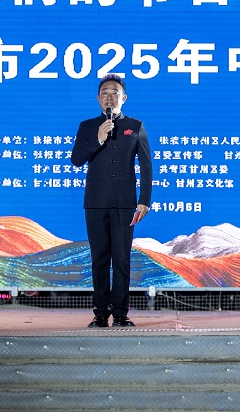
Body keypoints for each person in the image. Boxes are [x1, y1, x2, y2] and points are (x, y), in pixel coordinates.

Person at [70, 74, 152, 328]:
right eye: (104, 93)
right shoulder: (87, 126)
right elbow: (76, 159)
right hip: (95, 202)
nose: (109, 97)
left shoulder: (135, 126)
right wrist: (98, 139)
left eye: (114, 93)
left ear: (123, 98)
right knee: (100, 259)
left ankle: (120, 313)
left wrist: (144, 200)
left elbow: (146, 166)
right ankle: (100, 313)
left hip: (125, 202)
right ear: (98, 98)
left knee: (122, 259)